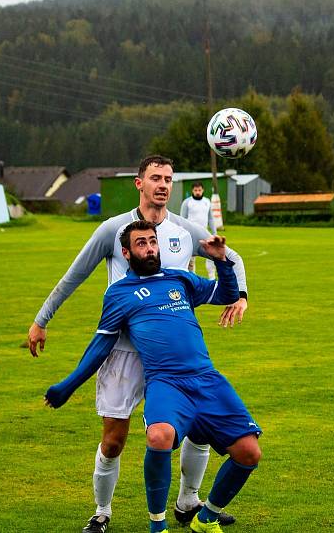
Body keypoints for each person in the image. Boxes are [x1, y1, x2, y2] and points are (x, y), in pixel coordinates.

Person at [28, 155, 248, 532]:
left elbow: (230, 255)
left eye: (168, 179)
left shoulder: (185, 230)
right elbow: (73, 276)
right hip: (124, 352)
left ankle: (187, 501)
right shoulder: (114, 230)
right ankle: (102, 511)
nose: (163, 185)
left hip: (173, 354)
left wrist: (240, 294)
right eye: (156, 178)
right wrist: (41, 320)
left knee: (199, 429)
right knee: (114, 440)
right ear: (139, 183)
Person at [180, 181, 217, 279]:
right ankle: (192, 279)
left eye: (199, 190)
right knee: (190, 259)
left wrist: (214, 233)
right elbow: (182, 219)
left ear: (203, 190)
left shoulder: (207, 201)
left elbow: (210, 218)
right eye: (195, 190)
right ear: (192, 190)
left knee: (211, 256)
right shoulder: (187, 202)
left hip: (205, 233)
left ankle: (212, 278)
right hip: (190, 235)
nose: (197, 192)